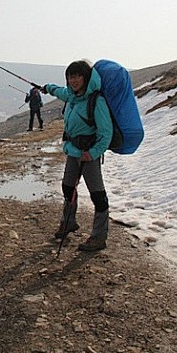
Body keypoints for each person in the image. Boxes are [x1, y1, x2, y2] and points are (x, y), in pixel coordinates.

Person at [41, 60, 113, 251]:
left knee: (98, 195)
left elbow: (106, 133)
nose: (73, 80)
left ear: (86, 77)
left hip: (88, 153)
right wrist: (47, 88)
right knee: (67, 187)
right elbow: (58, 91)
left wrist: (93, 153)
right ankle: (68, 222)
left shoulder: (96, 101)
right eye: (70, 76)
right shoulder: (72, 96)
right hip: (73, 151)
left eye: (77, 76)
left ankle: (99, 237)